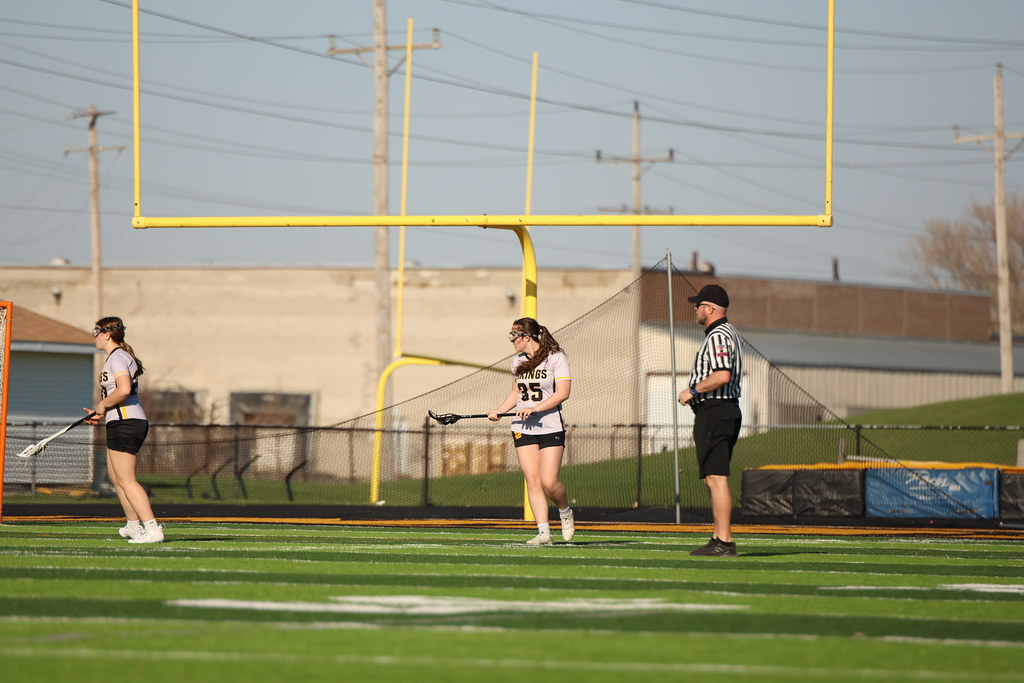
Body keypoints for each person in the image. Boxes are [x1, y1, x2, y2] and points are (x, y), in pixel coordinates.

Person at [489, 317, 575, 546]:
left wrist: (535, 408)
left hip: (550, 425)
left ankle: (565, 510)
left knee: (549, 482)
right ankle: (544, 532)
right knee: (533, 480)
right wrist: (500, 410)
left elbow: (563, 392)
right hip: (522, 427)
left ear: (527, 337)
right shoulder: (516, 361)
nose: (511, 340)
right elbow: (516, 393)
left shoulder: (556, 358)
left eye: (514, 335)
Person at [84, 317, 164, 544]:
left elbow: (124, 390)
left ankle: (153, 529)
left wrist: (103, 405)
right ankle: (133, 527)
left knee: (127, 480)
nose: (95, 337)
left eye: (96, 332)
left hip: (127, 422)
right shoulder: (116, 357)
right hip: (120, 420)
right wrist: (101, 412)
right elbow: (117, 395)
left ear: (107, 334)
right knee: (116, 478)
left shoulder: (118, 357)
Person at [677, 284, 743, 557]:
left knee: (716, 477)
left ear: (710, 309)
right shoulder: (728, 333)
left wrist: (692, 391)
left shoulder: (718, 336)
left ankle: (724, 541)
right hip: (720, 410)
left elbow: (722, 375)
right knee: (711, 477)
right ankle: (718, 535)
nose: (695, 310)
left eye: (699, 305)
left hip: (716, 409)